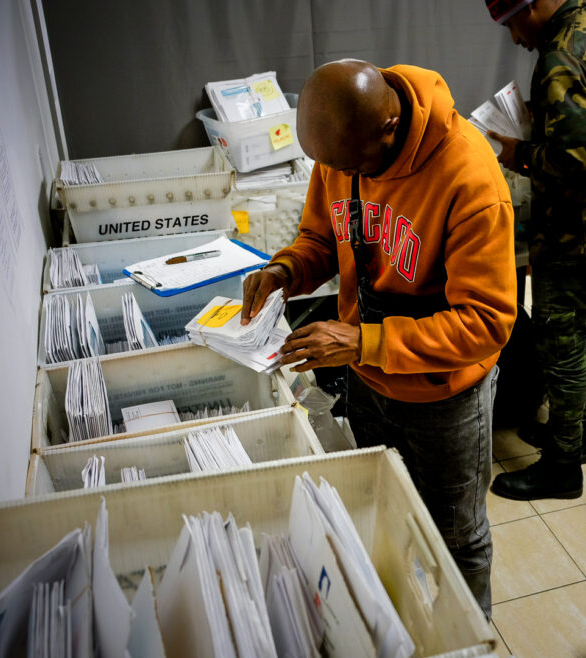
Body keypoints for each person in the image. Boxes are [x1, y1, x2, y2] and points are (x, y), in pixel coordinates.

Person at [240, 59, 517, 617]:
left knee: (457, 536)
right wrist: (285, 271)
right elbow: (323, 234)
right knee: (377, 515)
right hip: (369, 383)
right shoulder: (343, 149)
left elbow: (487, 320)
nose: (338, 174)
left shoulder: (469, 177)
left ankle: (466, 640)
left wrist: (363, 342)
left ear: (388, 129)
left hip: (444, 400)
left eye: (346, 164)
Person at [482, 0, 586, 501]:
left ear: (530, 5)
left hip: (575, 228)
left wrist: (520, 154)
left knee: (560, 342)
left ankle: (561, 468)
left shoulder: (560, 56)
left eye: (512, 23)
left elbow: (574, 159)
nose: (515, 38)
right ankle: (573, 438)